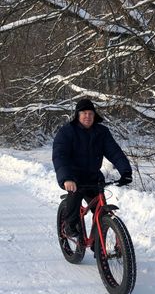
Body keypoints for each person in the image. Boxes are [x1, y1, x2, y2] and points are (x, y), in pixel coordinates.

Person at [52, 98, 132, 237]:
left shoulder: (101, 132)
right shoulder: (67, 132)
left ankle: (98, 247)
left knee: (101, 212)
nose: (87, 116)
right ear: (78, 114)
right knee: (74, 196)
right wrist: (67, 178)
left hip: (93, 176)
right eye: (84, 113)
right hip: (74, 177)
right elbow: (60, 156)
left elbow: (114, 152)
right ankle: (69, 226)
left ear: (95, 115)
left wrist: (125, 171)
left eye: (90, 113)